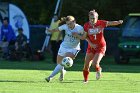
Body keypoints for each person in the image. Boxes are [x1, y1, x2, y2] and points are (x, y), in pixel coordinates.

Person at [83, 9, 123, 83]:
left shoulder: (101, 23)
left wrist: (118, 22)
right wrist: (91, 44)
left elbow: (110, 23)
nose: (92, 20)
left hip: (101, 46)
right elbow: (85, 36)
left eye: (93, 18)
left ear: (97, 18)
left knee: (94, 64)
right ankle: (85, 81)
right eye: (90, 18)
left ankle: (98, 69)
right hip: (91, 47)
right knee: (86, 65)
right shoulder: (86, 25)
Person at [45, 15, 87, 82]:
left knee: (62, 62)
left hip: (73, 48)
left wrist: (77, 35)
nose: (69, 25)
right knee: (59, 63)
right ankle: (62, 73)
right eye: (68, 24)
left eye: (70, 23)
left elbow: (83, 38)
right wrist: (49, 30)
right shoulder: (65, 26)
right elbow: (57, 29)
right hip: (64, 46)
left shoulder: (79, 28)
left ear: (74, 21)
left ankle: (50, 77)